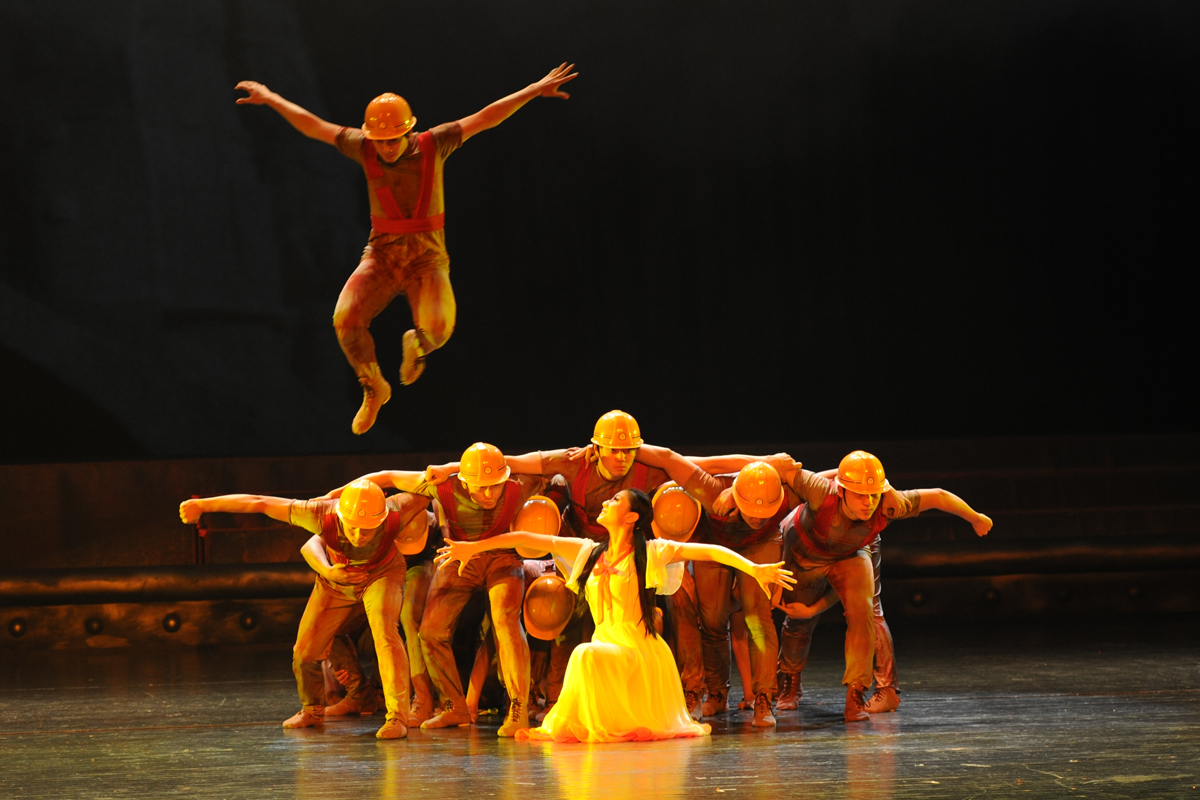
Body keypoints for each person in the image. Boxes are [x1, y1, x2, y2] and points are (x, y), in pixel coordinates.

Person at [233, 64, 578, 433]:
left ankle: (418, 344)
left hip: (426, 259)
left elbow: (485, 117)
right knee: (344, 319)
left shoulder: (435, 144)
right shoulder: (363, 147)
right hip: (382, 255)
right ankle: (374, 387)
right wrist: (271, 98)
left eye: (392, 140)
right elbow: (314, 126)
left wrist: (532, 90)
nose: (385, 148)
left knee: (440, 330)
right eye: (380, 141)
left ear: (408, 131)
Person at [436, 489, 797, 743]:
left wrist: (754, 569)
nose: (606, 502)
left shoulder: (652, 553)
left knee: (583, 653)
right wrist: (474, 547)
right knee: (588, 652)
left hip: (639, 651)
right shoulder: (588, 552)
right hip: (606, 647)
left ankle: (602, 725)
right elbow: (530, 537)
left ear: (631, 517)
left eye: (615, 501)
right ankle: (598, 723)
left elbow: (711, 551)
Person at [178, 479, 429, 739]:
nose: (358, 536)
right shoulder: (320, 514)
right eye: (352, 527)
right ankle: (312, 710)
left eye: (367, 530)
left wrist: (438, 471)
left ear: (382, 518)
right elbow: (260, 503)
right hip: (336, 578)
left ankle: (397, 717)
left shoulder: (398, 509)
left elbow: (437, 482)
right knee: (305, 650)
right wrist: (202, 505)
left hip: (382, 574)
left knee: (385, 635)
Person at [334, 443, 547, 735]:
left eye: (494, 486)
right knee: (430, 632)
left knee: (505, 621)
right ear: (464, 481)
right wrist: (336, 496)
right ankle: (453, 705)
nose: (488, 494)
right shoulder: (444, 486)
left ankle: (518, 707)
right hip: (458, 556)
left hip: (502, 557)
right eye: (480, 488)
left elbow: (555, 466)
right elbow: (387, 477)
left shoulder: (519, 485)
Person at [772, 451, 993, 722]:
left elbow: (938, 496)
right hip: (805, 552)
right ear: (842, 491)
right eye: (859, 495)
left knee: (865, 613)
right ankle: (790, 677)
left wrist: (974, 517)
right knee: (799, 616)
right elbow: (780, 470)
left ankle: (857, 692)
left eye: (873, 495)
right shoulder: (820, 491)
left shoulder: (889, 504)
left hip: (852, 551)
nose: (868, 503)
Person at [683, 461, 798, 727]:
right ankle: (717, 694)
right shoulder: (711, 488)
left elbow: (805, 473)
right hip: (713, 543)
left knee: (758, 619)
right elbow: (670, 459)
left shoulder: (782, 490)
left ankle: (763, 697)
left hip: (760, 543)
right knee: (711, 620)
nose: (758, 516)